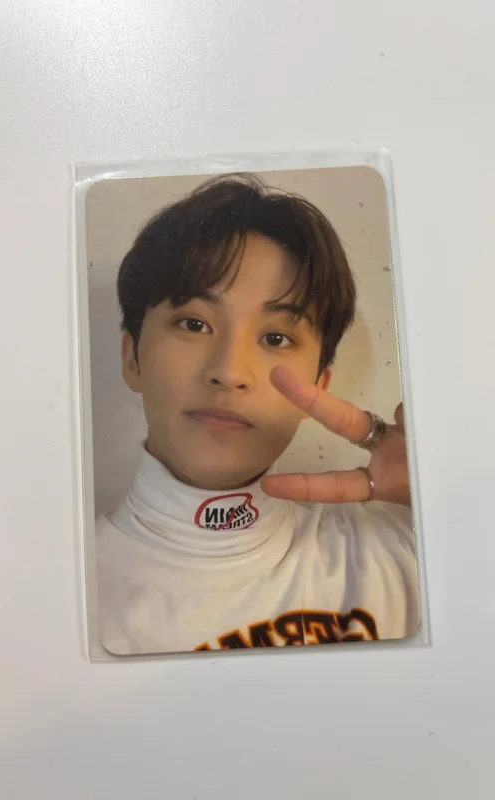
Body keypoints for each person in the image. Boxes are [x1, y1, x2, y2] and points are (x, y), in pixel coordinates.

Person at [94, 173, 419, 655]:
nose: (229, 372)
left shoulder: (410, 553)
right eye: (194, 324)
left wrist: (450, 505)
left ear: (318, 386)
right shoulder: (50, 597)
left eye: (275, 338)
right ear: (132, 359)